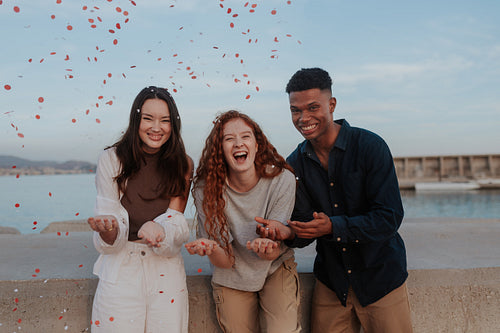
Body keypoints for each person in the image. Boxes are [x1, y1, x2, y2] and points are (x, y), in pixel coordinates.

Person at [256, 68, 413, 333]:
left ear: (332, 105)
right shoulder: (294, 164)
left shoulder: (371, 147)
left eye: (313, 107)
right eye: (295, 110)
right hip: (332, 283)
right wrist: (285, 232)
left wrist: (333, 226)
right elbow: (306, 228)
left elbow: (389, 218)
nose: (303, 118)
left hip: (381, 279)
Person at [87, 86, 193, 332]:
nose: (156, 128)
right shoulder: (111, 159)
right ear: (136, 120)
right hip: (121, 271)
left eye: (165, 120)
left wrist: (160, 230)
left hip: (167, 274)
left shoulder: (183, 164)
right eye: (148, 118)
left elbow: (176, 223)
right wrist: (107, 229)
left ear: (173, 125)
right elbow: (109, 218)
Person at [185, 110, 300, 333]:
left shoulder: (281, 180)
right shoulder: (205, 189)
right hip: (231, 274)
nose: (238, 143)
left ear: (257, 144)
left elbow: (273, 252)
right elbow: (225, 262)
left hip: (274, 267)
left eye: (245, 136)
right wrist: (211, 248)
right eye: (229, 139)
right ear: (220, 150)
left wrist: (265, 246)